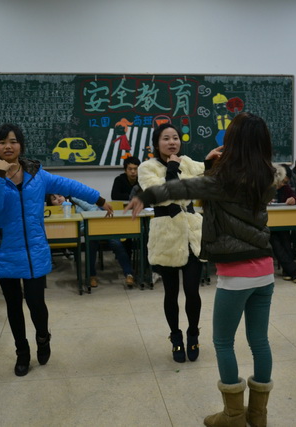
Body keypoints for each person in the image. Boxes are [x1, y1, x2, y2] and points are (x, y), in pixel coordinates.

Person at [126, 112, 277, 427]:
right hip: (265, 270)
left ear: (233, 142)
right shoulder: (268, 175)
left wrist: (144, 195)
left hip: (236, 274)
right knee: (259, 341)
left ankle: (233, 415)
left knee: (223, 342)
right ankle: (258, 414)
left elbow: (178, 190)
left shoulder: (222, 180)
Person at [0, 124, 113, 377]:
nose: (8, 146)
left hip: (35, 250)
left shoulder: (37, 174)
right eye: (2, 142)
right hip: (6, 251)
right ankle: (22, 352)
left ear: (21, 145)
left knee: (36, 303)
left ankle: (43, 338)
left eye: (13, 141)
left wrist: (99, 199)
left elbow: (70, 186)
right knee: (14, 306)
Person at [135, 122, 214, 365]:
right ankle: (175, 336)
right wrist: (171, 167)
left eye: (175, 138)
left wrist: (210, 161)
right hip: (167, 236)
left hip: (191, 234)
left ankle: (193, 333)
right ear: (156, 143)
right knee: (171, 292)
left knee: (192, 290)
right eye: (166, 138)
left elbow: (203, 169)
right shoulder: (147, 167)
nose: (172, 142)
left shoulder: (186, 161)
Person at [46, 193, 135, 288]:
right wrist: (86, 228)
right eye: (54, 199)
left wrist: (87, 219)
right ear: (50, 203)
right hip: (88, 231)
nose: (58, 199)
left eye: (60, 196)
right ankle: (92, 276)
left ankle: (128, 274)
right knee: (91, 244)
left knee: (116, 243)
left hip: (100, 223)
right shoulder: (53, 214)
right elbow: (74, 229)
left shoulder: (75, 200)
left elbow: (93, 209)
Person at [270, 164, 296, 283]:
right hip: (266, 225)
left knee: (285, 239)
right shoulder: (264, 186)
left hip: (280, 223)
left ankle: (287, 270)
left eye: (285, 182)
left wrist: (294, 200)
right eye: (281, 181)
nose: (282, 184)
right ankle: (293, 271)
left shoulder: (285, 188)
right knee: (275, 241)